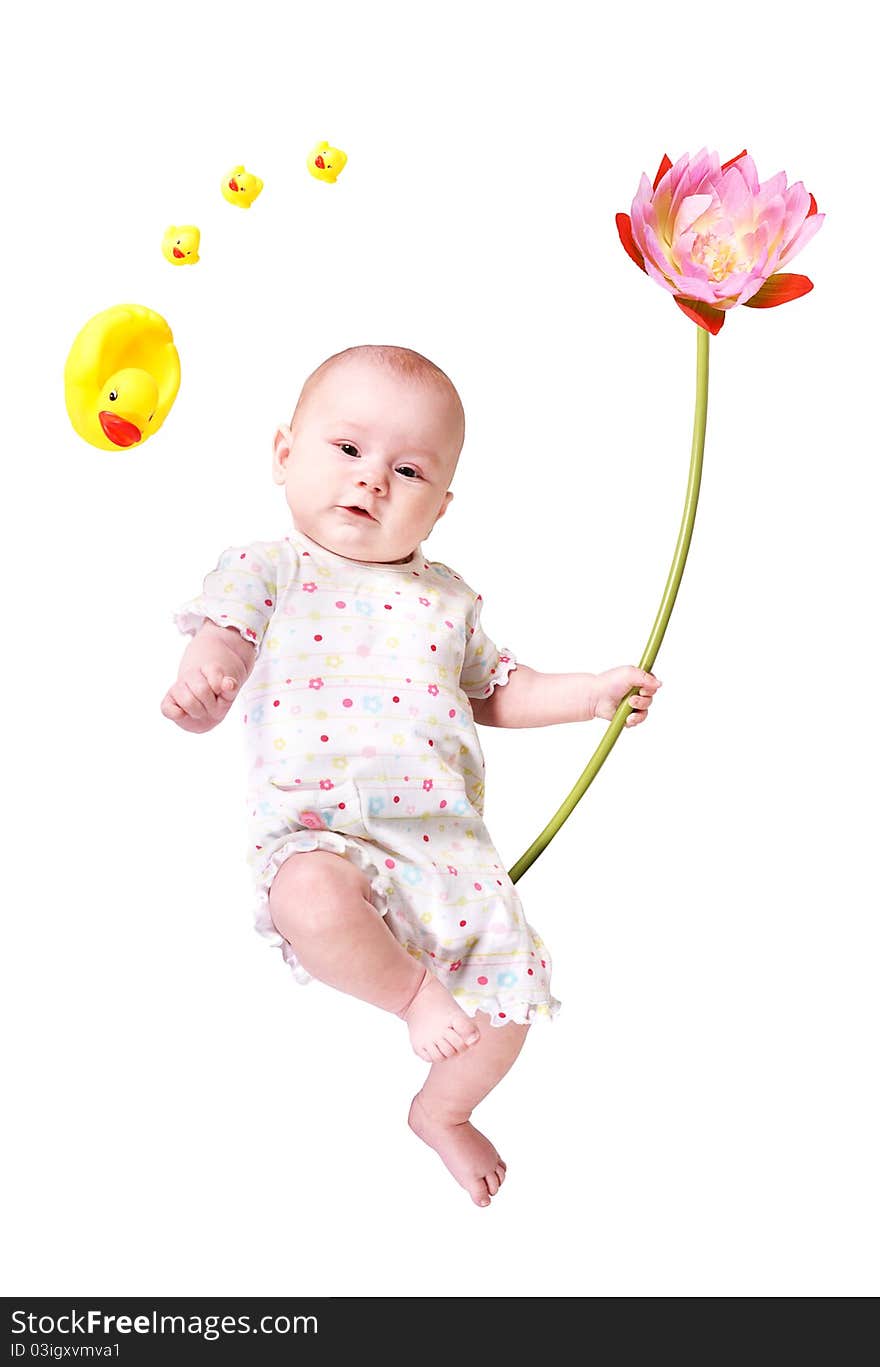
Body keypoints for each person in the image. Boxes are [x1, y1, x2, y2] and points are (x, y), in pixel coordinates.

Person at [162, 344, 661, 1207]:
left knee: (510, 1004)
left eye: (408, 468)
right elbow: (224, 638)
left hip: (447, 852)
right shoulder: (270, 568)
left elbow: (502, 691)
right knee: (310, 902)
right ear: (284, 454)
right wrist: (206, 680)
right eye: (347, 450)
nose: (371, 481)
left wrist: (592, 694)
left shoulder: (446, 599)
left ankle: (442, 1112)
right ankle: (414, 993)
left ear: (440, 505)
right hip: (324, 832)